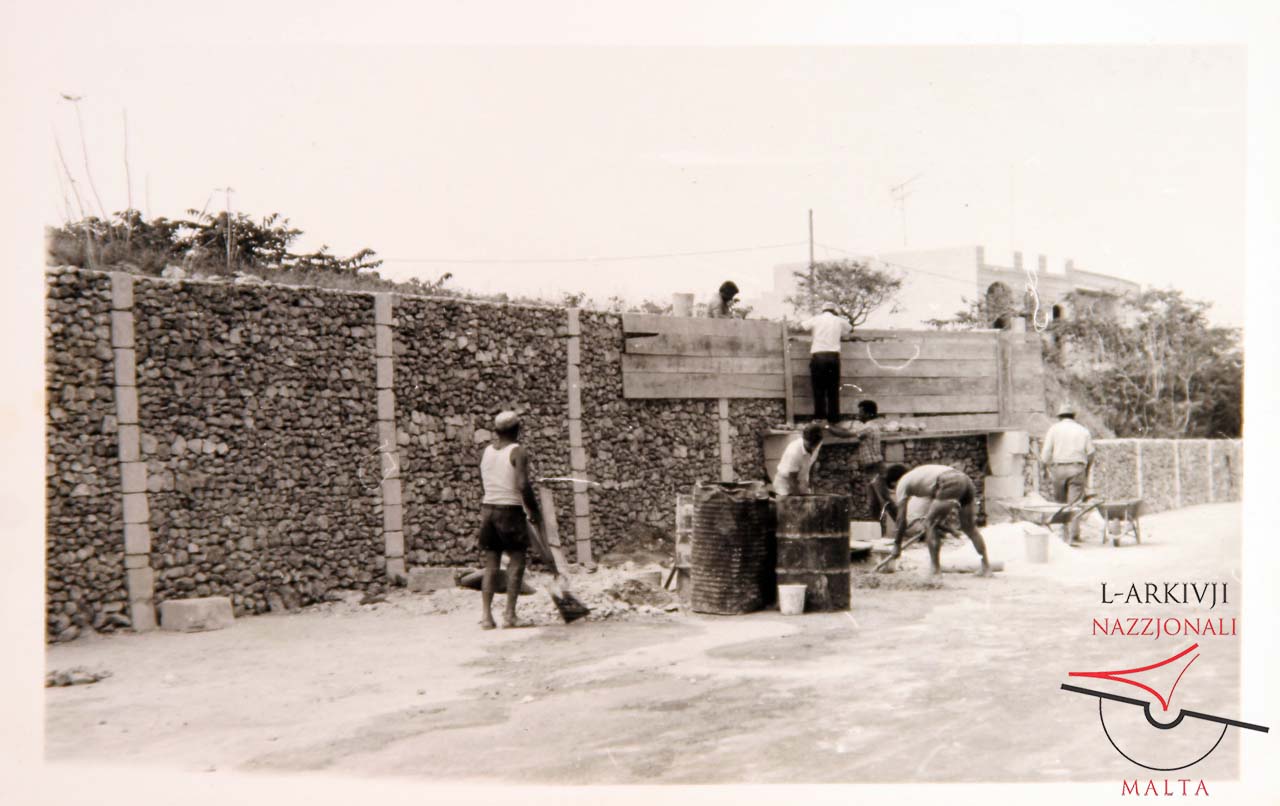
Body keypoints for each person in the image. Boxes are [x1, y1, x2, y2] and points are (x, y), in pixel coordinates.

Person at [476, 411, 544, 629]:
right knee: (517, 559)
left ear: (496, 431)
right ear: (518, 430)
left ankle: (486, 617)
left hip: (488, 509)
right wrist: (534, 510)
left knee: (491, 563)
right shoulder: (518, 452)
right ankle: (510, 615)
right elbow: (523, 485)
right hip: (510, 511)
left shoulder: (486, 452)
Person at [884, 463, 992, 576]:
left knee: (930, 524)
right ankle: (986, 567)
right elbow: (938, 514)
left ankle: (935, 570)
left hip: (949, 481)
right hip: (965, 480)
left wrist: (897, 545)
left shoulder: (902, 482)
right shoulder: (922, 477)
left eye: (894, 488)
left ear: (894, 483)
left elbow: (901, 518)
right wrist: (950, 530)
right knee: (969, 527)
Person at [1040, 402, 1095, 544]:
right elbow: (1091, 453)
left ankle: (1061, 536)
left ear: (1060, 417)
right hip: (1077, 468)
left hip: (1059, 469)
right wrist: (1086, 468)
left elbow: (1045, 454)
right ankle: (1073, 536)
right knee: (1074, 504)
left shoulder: (1053, 430)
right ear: (1073, 416)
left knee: (1060, 503)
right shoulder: (1083, 430)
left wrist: (1046, 468)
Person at [795, 301, 854, 422]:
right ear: (834, 311)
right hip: (833, 357)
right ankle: (834, 419)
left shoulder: (816, 319)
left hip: (819, 356)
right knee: (833, 389)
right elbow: (850, 329)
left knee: (818, 389)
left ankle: (820, 417)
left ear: (823, 310)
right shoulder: (839, 320)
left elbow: (801, 327)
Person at [773, 423, 825, 496]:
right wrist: (798, 500)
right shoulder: (794, 452)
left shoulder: (818, 442)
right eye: (809, 444)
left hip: (801, 481)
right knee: (793, 505)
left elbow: (812, 463)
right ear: (804, 438)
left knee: (809, 503)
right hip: (785, 484)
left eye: (815, 444)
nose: (813, 447)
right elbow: (792, 480)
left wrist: (810, 482)